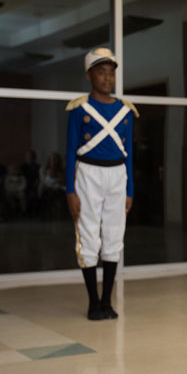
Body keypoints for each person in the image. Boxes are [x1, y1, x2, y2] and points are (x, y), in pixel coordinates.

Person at [65, 47, 138, 321]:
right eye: (101, 72)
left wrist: (129, 190)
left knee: (114, 235)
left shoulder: (125, 111)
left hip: (117, 175)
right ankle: (92, 302)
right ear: (89, 75)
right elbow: (71, 150)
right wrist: (69, 191)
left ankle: (107, 301)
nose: (107, 78)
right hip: (88, 174)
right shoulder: (79, 108)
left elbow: (128, 153)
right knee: (88, 235)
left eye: (111, 73)